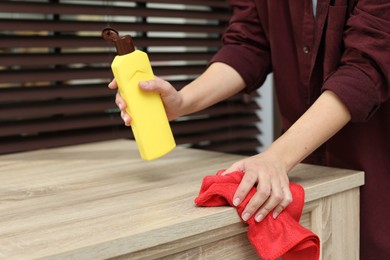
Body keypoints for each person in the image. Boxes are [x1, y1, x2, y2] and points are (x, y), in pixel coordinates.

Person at [108, 0, 389, 258]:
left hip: (377, 170)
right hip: (308, 172)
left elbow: (366, 67)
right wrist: (182, 102)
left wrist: (277, 157)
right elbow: (248, 44)